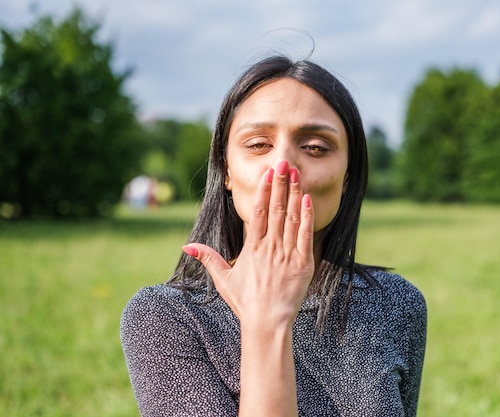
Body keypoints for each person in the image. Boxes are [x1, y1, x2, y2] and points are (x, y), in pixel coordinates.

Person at [120, 54, 427, 417]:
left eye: (315, 147)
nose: (283, 166)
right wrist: (267, 322)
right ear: (227, 171)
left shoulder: (397, 304)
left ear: (347, 178)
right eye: (258, 144)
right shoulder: (165, 318)